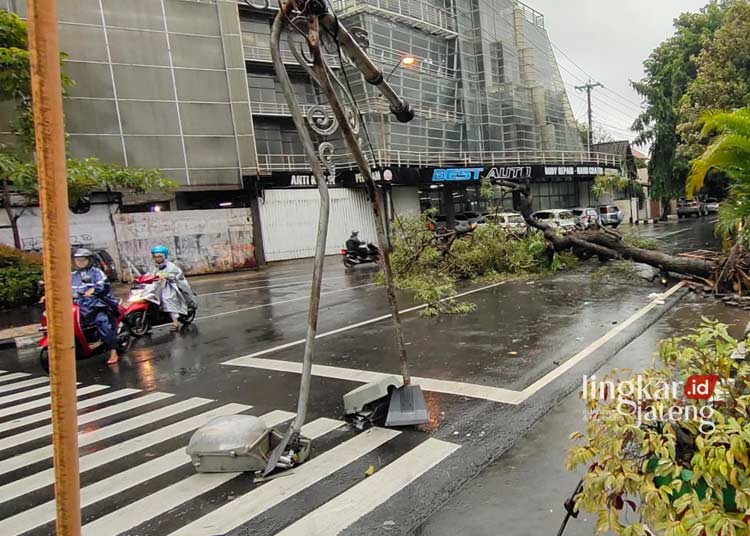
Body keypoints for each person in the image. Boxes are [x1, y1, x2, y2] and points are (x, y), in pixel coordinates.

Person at [71, 249, 121, 365]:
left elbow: (102, 284)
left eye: (82, 260)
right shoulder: (72, 275)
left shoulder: (96, 272)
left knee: (103, 323)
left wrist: (94, 290)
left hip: (96, 305)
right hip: (78, 307)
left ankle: (113, 350)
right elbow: (61, 286)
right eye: (77, 260)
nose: (79, 262)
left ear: (89, 260)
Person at [149, 245, 196, 332]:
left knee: (167, 299)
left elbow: (174, 276)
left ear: (164, 256)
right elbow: (150, 275)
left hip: (172, 287)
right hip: (159, 287)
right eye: (155, 257)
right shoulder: (155, 267)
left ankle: (175, 322)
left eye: (159, 256)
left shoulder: (171, 266)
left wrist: (165, 276)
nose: (157, 259)